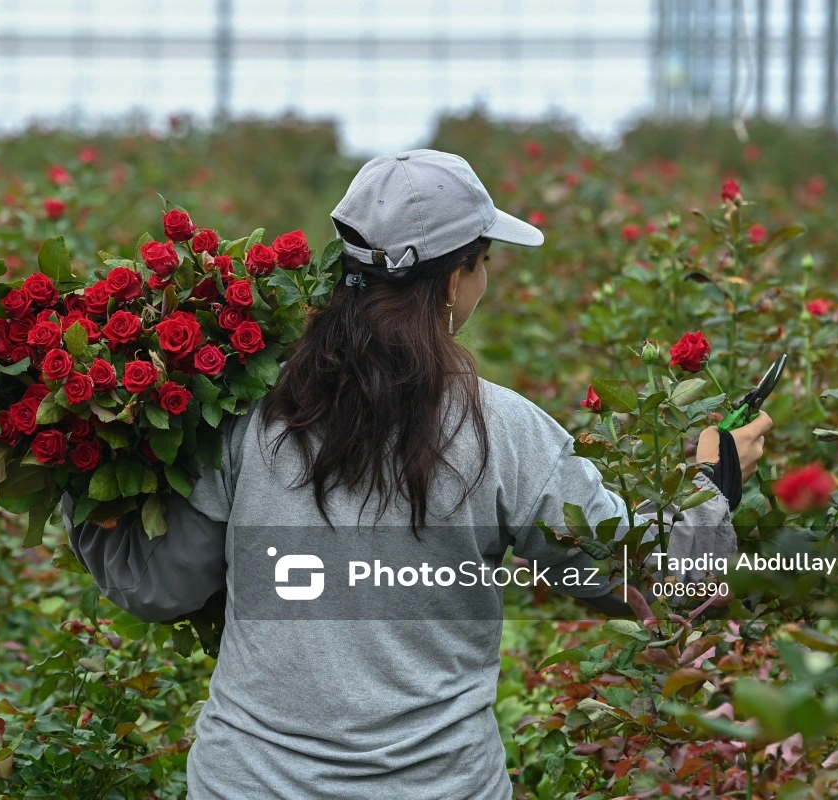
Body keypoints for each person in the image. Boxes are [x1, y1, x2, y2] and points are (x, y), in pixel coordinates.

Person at [63, 149, 772, 799]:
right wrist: (715, 483)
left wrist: (78, 460)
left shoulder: (250, 416)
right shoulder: (504, 431)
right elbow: (642, 574)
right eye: (484, 259)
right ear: (456, 276)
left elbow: (160, 586)